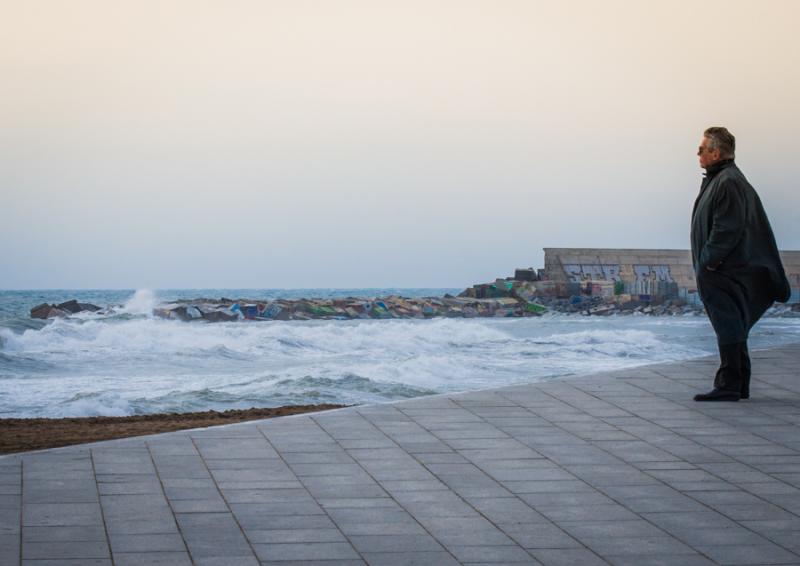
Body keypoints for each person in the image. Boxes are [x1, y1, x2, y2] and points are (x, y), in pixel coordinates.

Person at [691, 127, 790, 401]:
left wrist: (708, 262)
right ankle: (738, 382)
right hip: (721, 268)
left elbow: (727, 228)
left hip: (723, 270)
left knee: (729, 323)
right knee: (732, 324)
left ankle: (729, 384)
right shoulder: (722, 179)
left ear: (716, 152)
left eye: (702, 149)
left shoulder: (728, 182)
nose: (697, 153)